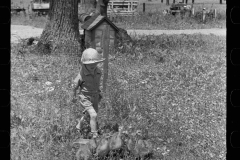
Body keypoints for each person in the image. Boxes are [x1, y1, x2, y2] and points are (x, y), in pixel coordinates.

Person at [72, 48, 105, 139]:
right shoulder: (81, 75)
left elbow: (96, 83)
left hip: (95, 96)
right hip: (85, 97)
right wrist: (73, 97)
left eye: (95, 64)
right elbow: (74, 87)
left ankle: (78, 127)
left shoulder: (98, 72)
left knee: (88, 114)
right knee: (93, 115)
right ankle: (94, 134)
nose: (93, 66)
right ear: (84, 64)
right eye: (91, 65)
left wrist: (99, 93)